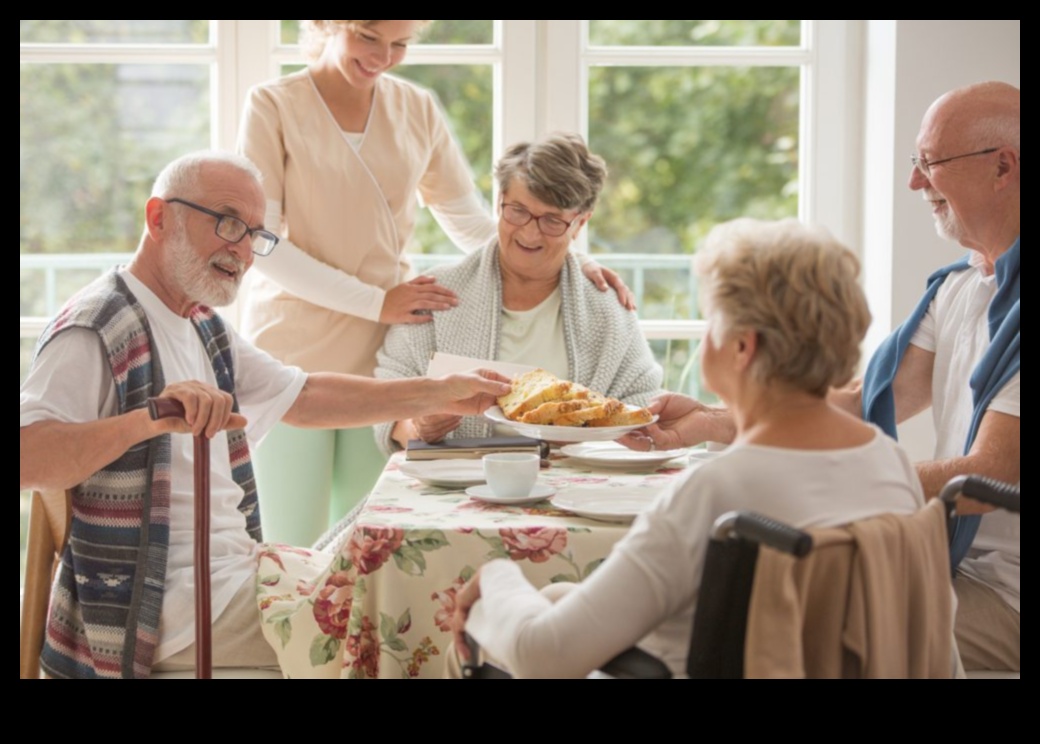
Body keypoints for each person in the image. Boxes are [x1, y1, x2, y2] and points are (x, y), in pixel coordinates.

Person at [18, 151, 512, 679]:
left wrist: (435, 394)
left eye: (255, 234)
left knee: (431, 589)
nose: (243, 251)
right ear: (159, 218)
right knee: (412, 623)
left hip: (238, 575)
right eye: (228, 223)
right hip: (169, 606)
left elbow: (304, 396)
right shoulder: (97, 325)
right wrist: (148, 419)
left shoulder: (201, 324)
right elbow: (28, 458)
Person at [625, 82, 1020, 673]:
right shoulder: (964, 286)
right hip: (944, 564)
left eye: (929, 163)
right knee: (722, 608)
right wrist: (706, 423)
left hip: (1006, 594)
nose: (914, 182)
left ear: (1002, 167)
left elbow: (992, 473)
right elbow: (864, 400)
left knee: (768, 624)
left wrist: (826, 481)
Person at [449, 218, 925, 678]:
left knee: (489, 623)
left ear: (743, 346)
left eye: (710, 322)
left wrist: (495, 576)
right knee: (557, 598)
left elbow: (543, 658)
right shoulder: (890, 463)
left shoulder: (717, 493)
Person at [237, 20, 635, 545]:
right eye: (369, 37)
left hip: (380, 354)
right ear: (328, 25)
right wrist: (376, 301)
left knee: (365, 538)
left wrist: (569, 261)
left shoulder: (416, 108)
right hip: (294, 345)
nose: (384, 56)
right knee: (290, 539)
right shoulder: (273, 105)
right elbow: (260, 239)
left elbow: (468, 219)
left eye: (400, 44)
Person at [374, 132, 662, 454]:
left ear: (580, 223)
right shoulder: (434, 296)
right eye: (518, 211)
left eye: (552, 220)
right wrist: (419, 426)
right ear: (499, 202)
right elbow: (387, 404)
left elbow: (643, 405)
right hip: (455, 487)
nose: (529, 232)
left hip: (572, 488)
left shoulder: (606, 308)